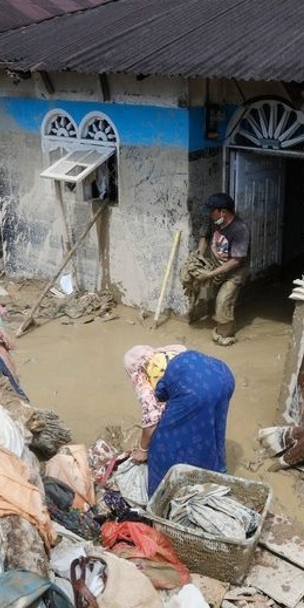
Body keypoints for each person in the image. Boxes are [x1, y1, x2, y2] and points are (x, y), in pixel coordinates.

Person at [122, 345, 234, 494]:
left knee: (162, 442)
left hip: (196, 393)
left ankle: (163, 492)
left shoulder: (142, 376)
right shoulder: (170, 351)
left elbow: (152, 420)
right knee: (209, 428)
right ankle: (213, 473)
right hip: (224, 376)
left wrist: (143, 450)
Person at [195, 192, 249, 346]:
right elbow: (204, 237)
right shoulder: (213, 220)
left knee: (223, 303)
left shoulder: (240, 229)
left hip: (235, 273)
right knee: (215, 300)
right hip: (216, 268)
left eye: (212, 211)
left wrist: (210, 274)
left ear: (223, 212)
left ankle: (224, 338)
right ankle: (222, 324)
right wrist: (199, 256)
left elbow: (236, 261)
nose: (209, 214)